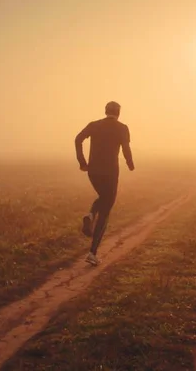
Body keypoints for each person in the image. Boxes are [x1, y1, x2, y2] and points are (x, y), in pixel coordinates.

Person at [75, 101, 134, 266]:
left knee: (102, 198)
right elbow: (126, 148)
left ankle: (91, 214)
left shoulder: (94, 125)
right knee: (106, 210)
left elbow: (78, 139)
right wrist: (130, 164)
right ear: (118, 113)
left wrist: (82, 162)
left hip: (93, 172)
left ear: (105, 111)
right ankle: (92, 253)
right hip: (110, 173)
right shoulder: (122, 128)